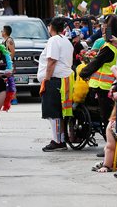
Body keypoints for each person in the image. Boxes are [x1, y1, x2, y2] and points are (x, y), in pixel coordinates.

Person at [80, 15, 117, 141]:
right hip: (110, 87)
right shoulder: (114, 47)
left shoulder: (108, 48)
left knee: (107, 118)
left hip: (104, 88)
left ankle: (110, 145)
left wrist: (83, 73)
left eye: (106, 28)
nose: (103, 30)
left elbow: (95, 63)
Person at [37, 17, 74, 152]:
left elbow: (52, 61)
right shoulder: (66, 41)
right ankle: (61, 138)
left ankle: (58, 141)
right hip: (65, 78)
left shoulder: (54, 40)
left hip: (55, 79)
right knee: (60, 111)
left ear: (51, 27)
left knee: (53, 111)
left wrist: (46, 79)